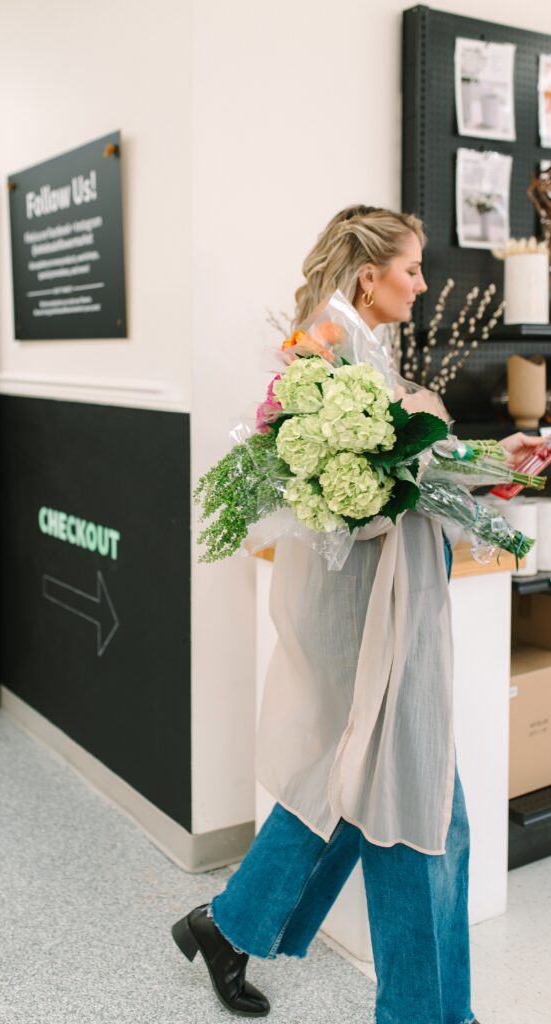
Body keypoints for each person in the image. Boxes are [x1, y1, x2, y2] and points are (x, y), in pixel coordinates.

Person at [172, 205, 546, 1023]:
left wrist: (495, 466)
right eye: (411, 268)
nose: (422, 284)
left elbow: (408, 466)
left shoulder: (356, 352)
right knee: (416, 805)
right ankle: (426, 1014)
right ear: (368, 272)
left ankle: (229, 926)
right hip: (357, 609)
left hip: (384, 600)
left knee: (356, 786)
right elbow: (347, 493)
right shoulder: (320, 357)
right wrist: (453, 468)